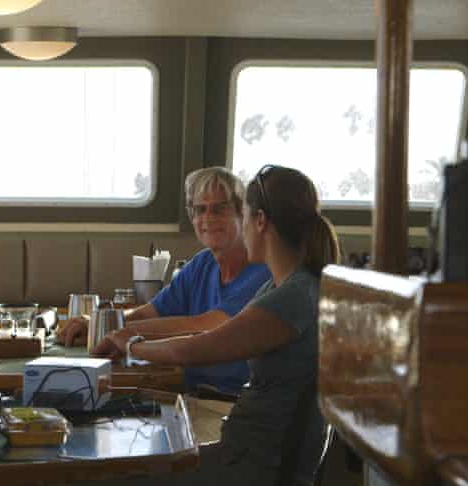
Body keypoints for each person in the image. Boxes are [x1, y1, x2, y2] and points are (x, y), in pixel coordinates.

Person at [92, 165, 340, 485]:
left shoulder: (294, 295)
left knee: (109, 473)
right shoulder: (283, 286)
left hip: (253, 464)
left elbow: (199, 348)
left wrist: (132, 345)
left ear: (259, 221)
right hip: (243, 449)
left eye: (243, 215)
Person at [59, 167, 270, 394]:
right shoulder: (202, 263)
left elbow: (206, 326)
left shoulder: (262, 270)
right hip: (189, 390)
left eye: (219, 208)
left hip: (230, 398)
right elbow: (151, 311)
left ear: (241, 213)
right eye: (200, 209)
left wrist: (115, 332)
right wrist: (96, 321)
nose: (208, 218)